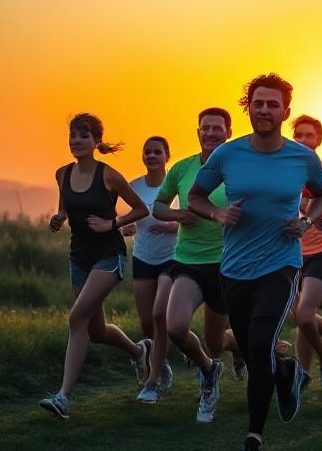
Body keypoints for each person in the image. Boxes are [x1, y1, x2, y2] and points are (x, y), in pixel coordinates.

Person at [189, 74, 322, 451]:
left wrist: (304, 222)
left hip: (281, 264)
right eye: (258, 103)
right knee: (257, 351)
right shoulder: (227, 154)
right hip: (234, 268)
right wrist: (217, 214)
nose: (265, 110)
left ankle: (254, 435)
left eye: (272, 104)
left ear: (285, 111)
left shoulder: (302, 157)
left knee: (261, 343)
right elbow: (196, 197)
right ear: (248, 108)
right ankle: (285, 371)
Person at [40, 114, 151, 418]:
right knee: (96, 331)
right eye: (73, 135)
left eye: (83, 135)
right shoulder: (62, 174)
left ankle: (63, 397)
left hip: (108, 255)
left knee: (76, 318)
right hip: (79, 256)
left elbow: (141, 209)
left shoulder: (109, 175)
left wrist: (111, 223)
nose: (76, 140)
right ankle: (139, 351)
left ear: (96, 141)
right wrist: (59, 217)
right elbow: (65, 206)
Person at [150, 108, 244, 420]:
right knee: (175, 327)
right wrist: (178, 215)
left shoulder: (238, 168)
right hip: (187, 261)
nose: (211, 133)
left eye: (218, 128)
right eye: (205, 128)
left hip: (224, 262)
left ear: (228, 132)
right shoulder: (182, 168)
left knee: (215, 342)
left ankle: (237, 349)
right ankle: (209, 371)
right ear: (198, 132)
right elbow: (160, 205)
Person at [123, 136, 179, 403]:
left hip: (172, 257)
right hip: (143, 255)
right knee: (146, 321)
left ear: (167, 155)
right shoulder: (134, 186)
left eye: (157, 152)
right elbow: (135, 218)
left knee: (159, 314)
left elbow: (194, 217)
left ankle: (155, 374)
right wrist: (126, 228)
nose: (152, 156)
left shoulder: (177, 184)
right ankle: (162, 362)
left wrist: (172, 225)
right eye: (147, 152)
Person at [290, 115, 322, 388]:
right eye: (298, 134)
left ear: (318, 140)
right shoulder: (283, 168)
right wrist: (311, 210)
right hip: (290, 252)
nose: (303, 140)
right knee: (300, 315)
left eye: (309, 135)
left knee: (305, 313)